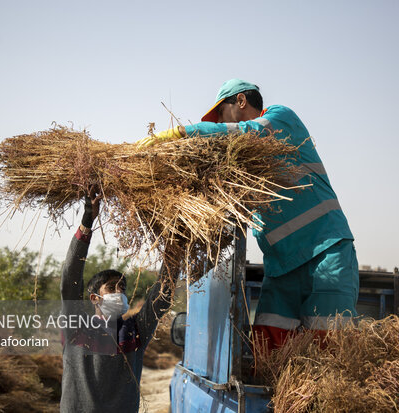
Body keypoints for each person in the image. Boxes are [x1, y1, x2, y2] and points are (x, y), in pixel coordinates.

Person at [136, 79, 359, 351]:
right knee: (267, 350)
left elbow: (246, 132)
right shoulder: (243, 171)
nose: (219, 123)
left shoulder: (280, 118)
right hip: (281, 266)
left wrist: (181, 134)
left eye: (221, 115)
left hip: (325, 252)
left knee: (329, 349)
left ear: (240, 101)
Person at [60, 196, 177, 412]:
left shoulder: (134, 330)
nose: (119, 292)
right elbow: (70, 279)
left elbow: (161, 298)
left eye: (122, 288)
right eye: (112, 287)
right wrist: (87, 222)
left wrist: (175, 248)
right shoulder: (76, 326)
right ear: (94, 297)